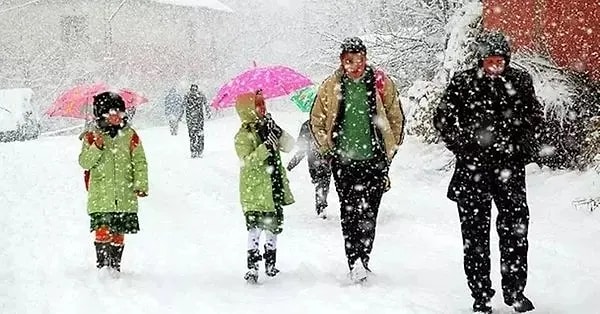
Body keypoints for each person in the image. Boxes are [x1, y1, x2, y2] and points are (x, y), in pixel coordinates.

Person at [433, 31, 542, 314]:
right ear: (480, 60)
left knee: (516, 233)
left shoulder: (520, 81)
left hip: (510, 169)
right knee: (475, 238)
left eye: (500, 61)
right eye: (490, 60)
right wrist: (462, 145)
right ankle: (481, 295)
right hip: (472, 172)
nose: (495, 66)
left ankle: (515, 291)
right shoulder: (463, 82)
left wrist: (523, 145)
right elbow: (443, 117)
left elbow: (534, 115)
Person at [310, 37, 404, 282]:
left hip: (374, 160)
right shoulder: (331, 85)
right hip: (343, 161)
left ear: (366, 58)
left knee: (370, 212)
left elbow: (395, 115)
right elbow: (316, 120)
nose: (355, 65)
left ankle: (365, 257)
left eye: (359, 59)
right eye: (349, 61)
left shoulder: (380, 82)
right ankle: (354, 260)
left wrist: (390, 147)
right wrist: (327, 146)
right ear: (342, 61)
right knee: (349, 212)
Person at [79, 91, 149, 276]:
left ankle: (115, 265)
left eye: (120, 112)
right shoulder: (91, 136)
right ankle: (103, 265)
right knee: (102, 228)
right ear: (101, 113)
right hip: (101, 194)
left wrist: (140, 184)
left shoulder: (130, 135)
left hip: (124, 193)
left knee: (118, 230)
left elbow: (140, 161)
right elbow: (84, 162)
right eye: (112, 112)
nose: (117, 116)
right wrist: (97, 146)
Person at [234, 91, 295, 283]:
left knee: (273, 227)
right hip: (256, 190)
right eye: (258, 105)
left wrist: (277, 131)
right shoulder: (243, 136)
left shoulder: (268, 128)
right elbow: (247, 161)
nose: (263, 108)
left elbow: (289, 145)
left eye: (263, 104)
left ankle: (271, 263)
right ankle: (252, 266)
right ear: (248, 110)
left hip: (273, 185)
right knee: (255, 228)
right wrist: (264, 148)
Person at [287, 119, 331, 218]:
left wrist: (292, 163)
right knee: (323, 182)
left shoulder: (307, 125)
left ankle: (321, 205)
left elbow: (302, 149)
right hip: (325, 159)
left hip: (314, 161)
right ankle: (321, 205)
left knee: (320, 182)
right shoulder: (327, 123)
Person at [184, 84, 207, 158]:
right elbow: (206, 105)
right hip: (198, 118)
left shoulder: (188, 95)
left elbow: (183, 106)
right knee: (198, 134)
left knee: (193, 135)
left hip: (191, 118)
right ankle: (198, 150)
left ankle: (195, 150)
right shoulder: (200, 95)